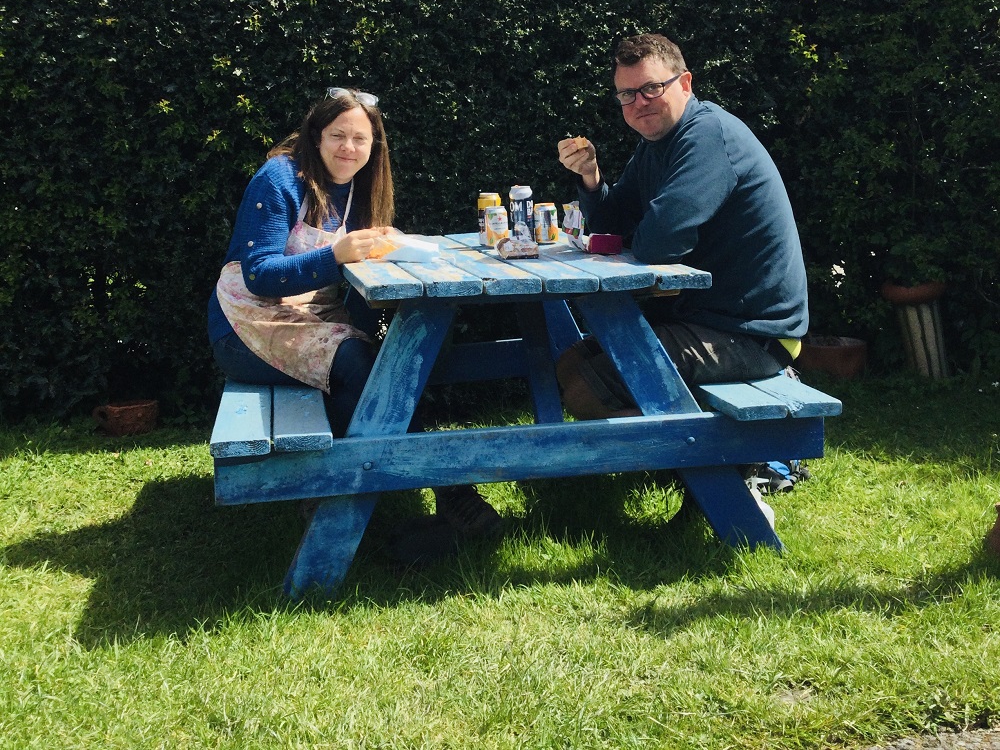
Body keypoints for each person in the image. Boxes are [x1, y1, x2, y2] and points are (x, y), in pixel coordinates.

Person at [207, 87, 500, 540]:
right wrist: (336, 256)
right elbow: (259, 274)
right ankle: (400, 496)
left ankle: (352, 492)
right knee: (360, 364)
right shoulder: (280, 178)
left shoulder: (357, 191)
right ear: (316, 136)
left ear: (373, 146)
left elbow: (354, 284)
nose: (349, 147)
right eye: (338, 135)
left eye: (360, 139)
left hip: (314, 320)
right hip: (245, 324)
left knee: (383, 363)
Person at [555, 33, 809, 416]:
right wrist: (591, 177)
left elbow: (659, 243)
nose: (639, 102)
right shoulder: (657, 144)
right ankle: (695, 453)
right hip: (700, 316)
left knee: (587, 391)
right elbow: (611, 226)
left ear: (685, 83)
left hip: (754, 334)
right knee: (571, 363)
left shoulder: (707, 136)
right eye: (627, 94)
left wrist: (640, 231)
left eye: (651, 88)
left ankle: (725, 457)